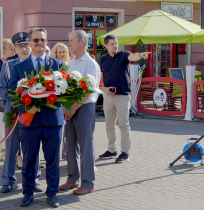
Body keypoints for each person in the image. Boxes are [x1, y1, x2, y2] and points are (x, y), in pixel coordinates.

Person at [8, 27, 64, 208]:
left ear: (47, 42)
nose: (39, 43)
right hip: (30, 122)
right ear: (30, 43)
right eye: (35, 40)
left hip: (52, 122)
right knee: (30, 160)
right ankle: (27, 193)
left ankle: (52, 193)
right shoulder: (19, 68)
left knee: (53, 160)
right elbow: (11, 94)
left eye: (42, 40)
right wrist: (28, 107)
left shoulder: (57, 65)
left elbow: (65, 93)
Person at [0, 32, 43, 194]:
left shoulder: (38, 65)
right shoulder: (8, 66)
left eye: (26, 45)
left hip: (33, 113)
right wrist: (19, 97)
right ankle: (8, 180)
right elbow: (1, 89)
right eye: (19, 46)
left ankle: (35, 179)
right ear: (14, 49)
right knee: (11, 149)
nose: (24, 49)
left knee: (33, 148)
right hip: (14, 112)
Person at [59, 30, 100, 195]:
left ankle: (88, 183)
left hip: (84, 108)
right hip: (70, 109)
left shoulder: (91, 64)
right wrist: (65, 108)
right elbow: (63, 87)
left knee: (85, 146)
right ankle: (72, 179)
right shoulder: (71, 64)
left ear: (82, 42)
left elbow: (89, 91)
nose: (69, 44)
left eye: (71, 41)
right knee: (70, 146)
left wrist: (72, 108)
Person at [98, 35, 151, 163]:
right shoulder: (103, 59)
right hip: (108, 97)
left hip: (122, 96)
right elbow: (100, 78)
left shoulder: (123, 55)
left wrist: (141, 55)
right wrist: (104, 89)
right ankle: (111, 150)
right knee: (109, 125)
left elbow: (133, 56)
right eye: (111, 44)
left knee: (123, 125)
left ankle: (125, 153)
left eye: (116, 43)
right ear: (106, 46)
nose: (115, 46)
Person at [0, 39, 15, 161]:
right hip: (3, 95)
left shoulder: (16, 62)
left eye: (13, 48)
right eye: (11, 49)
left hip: (13, 97)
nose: (13, 51)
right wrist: (5, 83)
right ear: (5, 50)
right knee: (2, 124)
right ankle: (2, 150)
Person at [51, 42, 70, 160]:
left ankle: (67, 152)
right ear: (55, 53)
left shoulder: (70, 64)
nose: (62, 54)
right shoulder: (54, 65)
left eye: (64, 52)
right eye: (60, 52)